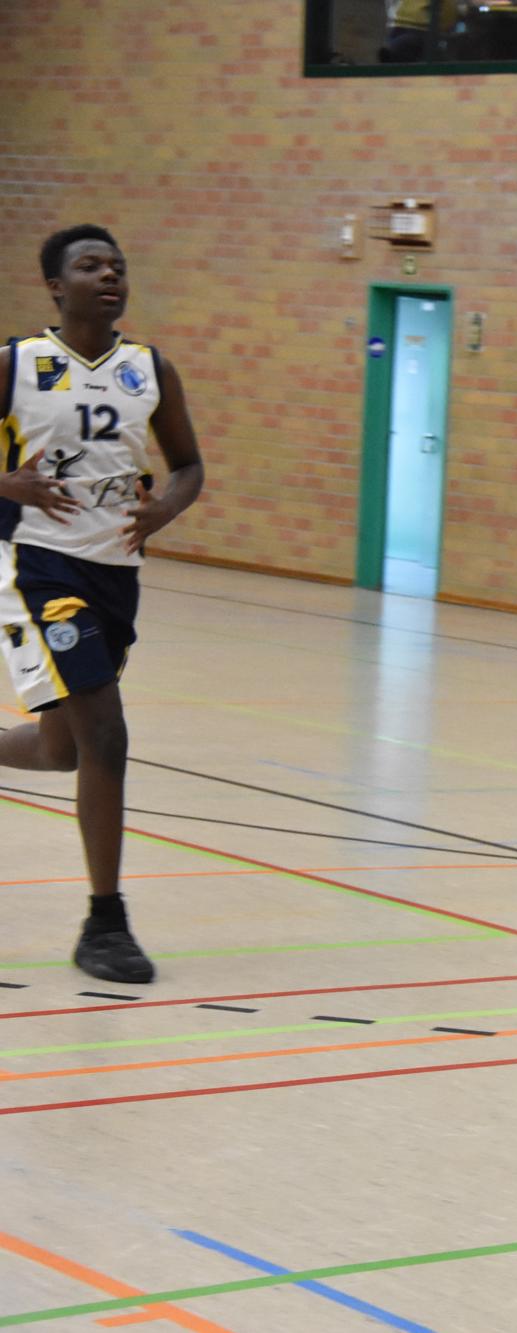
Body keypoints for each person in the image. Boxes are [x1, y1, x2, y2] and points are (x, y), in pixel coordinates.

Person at [0, 225, 205, 985]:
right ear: (56, 286)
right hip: (37, 567)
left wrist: (164, 509)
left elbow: (187, 465)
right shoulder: (17, 363)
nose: (109, 275)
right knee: (107, 735)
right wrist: (5, 484)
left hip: (115, 571)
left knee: (63, 750)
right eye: (90, 266)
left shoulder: (149, 369)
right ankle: (105, 921)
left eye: (117, 265)